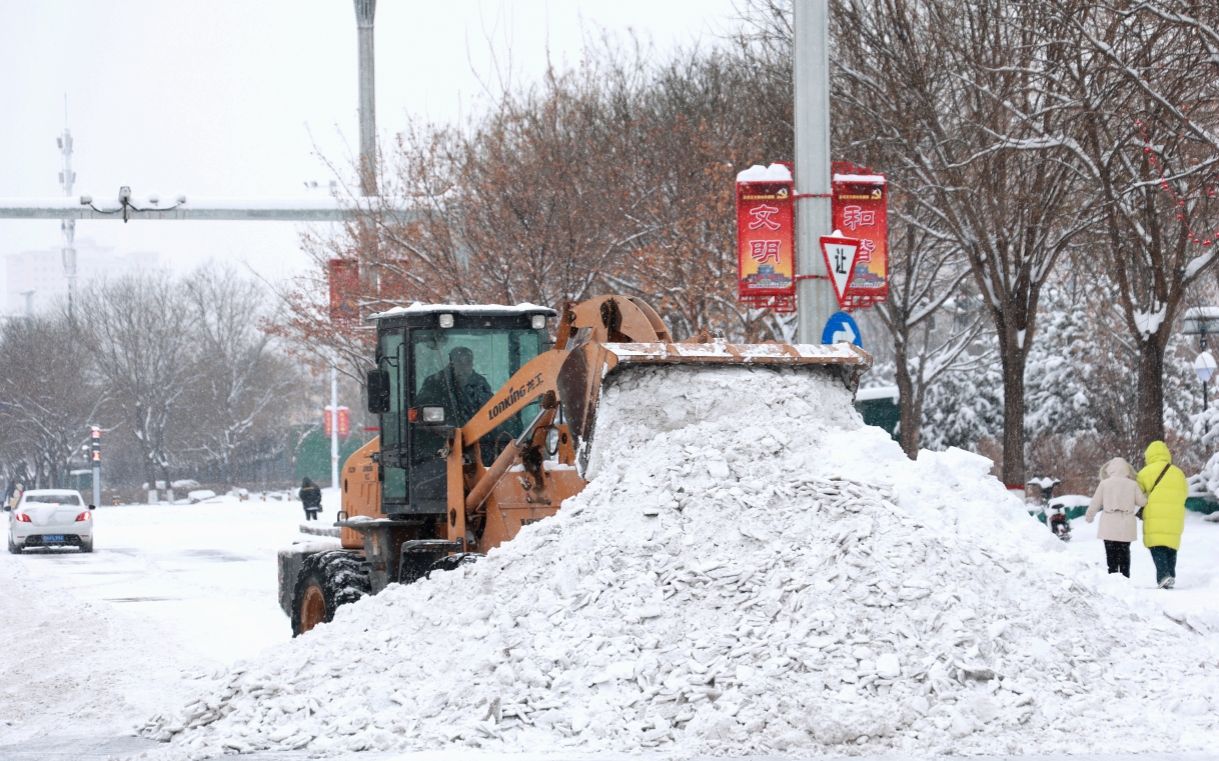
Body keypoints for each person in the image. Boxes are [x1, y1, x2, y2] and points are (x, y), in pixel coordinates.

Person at [1137, 440, 1187, 589]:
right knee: (1170, 546)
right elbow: (1184, 493)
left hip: (1155, 516)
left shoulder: (1144, 473)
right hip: (1174, 517)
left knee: (1157, 546)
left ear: (1149, 455)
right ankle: (1170, 575)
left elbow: (1138, 495)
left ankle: (1164, 576)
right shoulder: (1178, 473)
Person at [1085, 457, 1146, 577]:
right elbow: (1142, 502)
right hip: (1126, 523)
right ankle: (1125, 578)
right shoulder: (1132, 484)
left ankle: (1112, 578)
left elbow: (1096, 502)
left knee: (1110, 554)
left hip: (1109, 522)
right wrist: (1146, 495)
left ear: (1109, 469)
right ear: (1127, 470)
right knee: (1124, 553)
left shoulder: (1104, 484)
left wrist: (1089, 516)